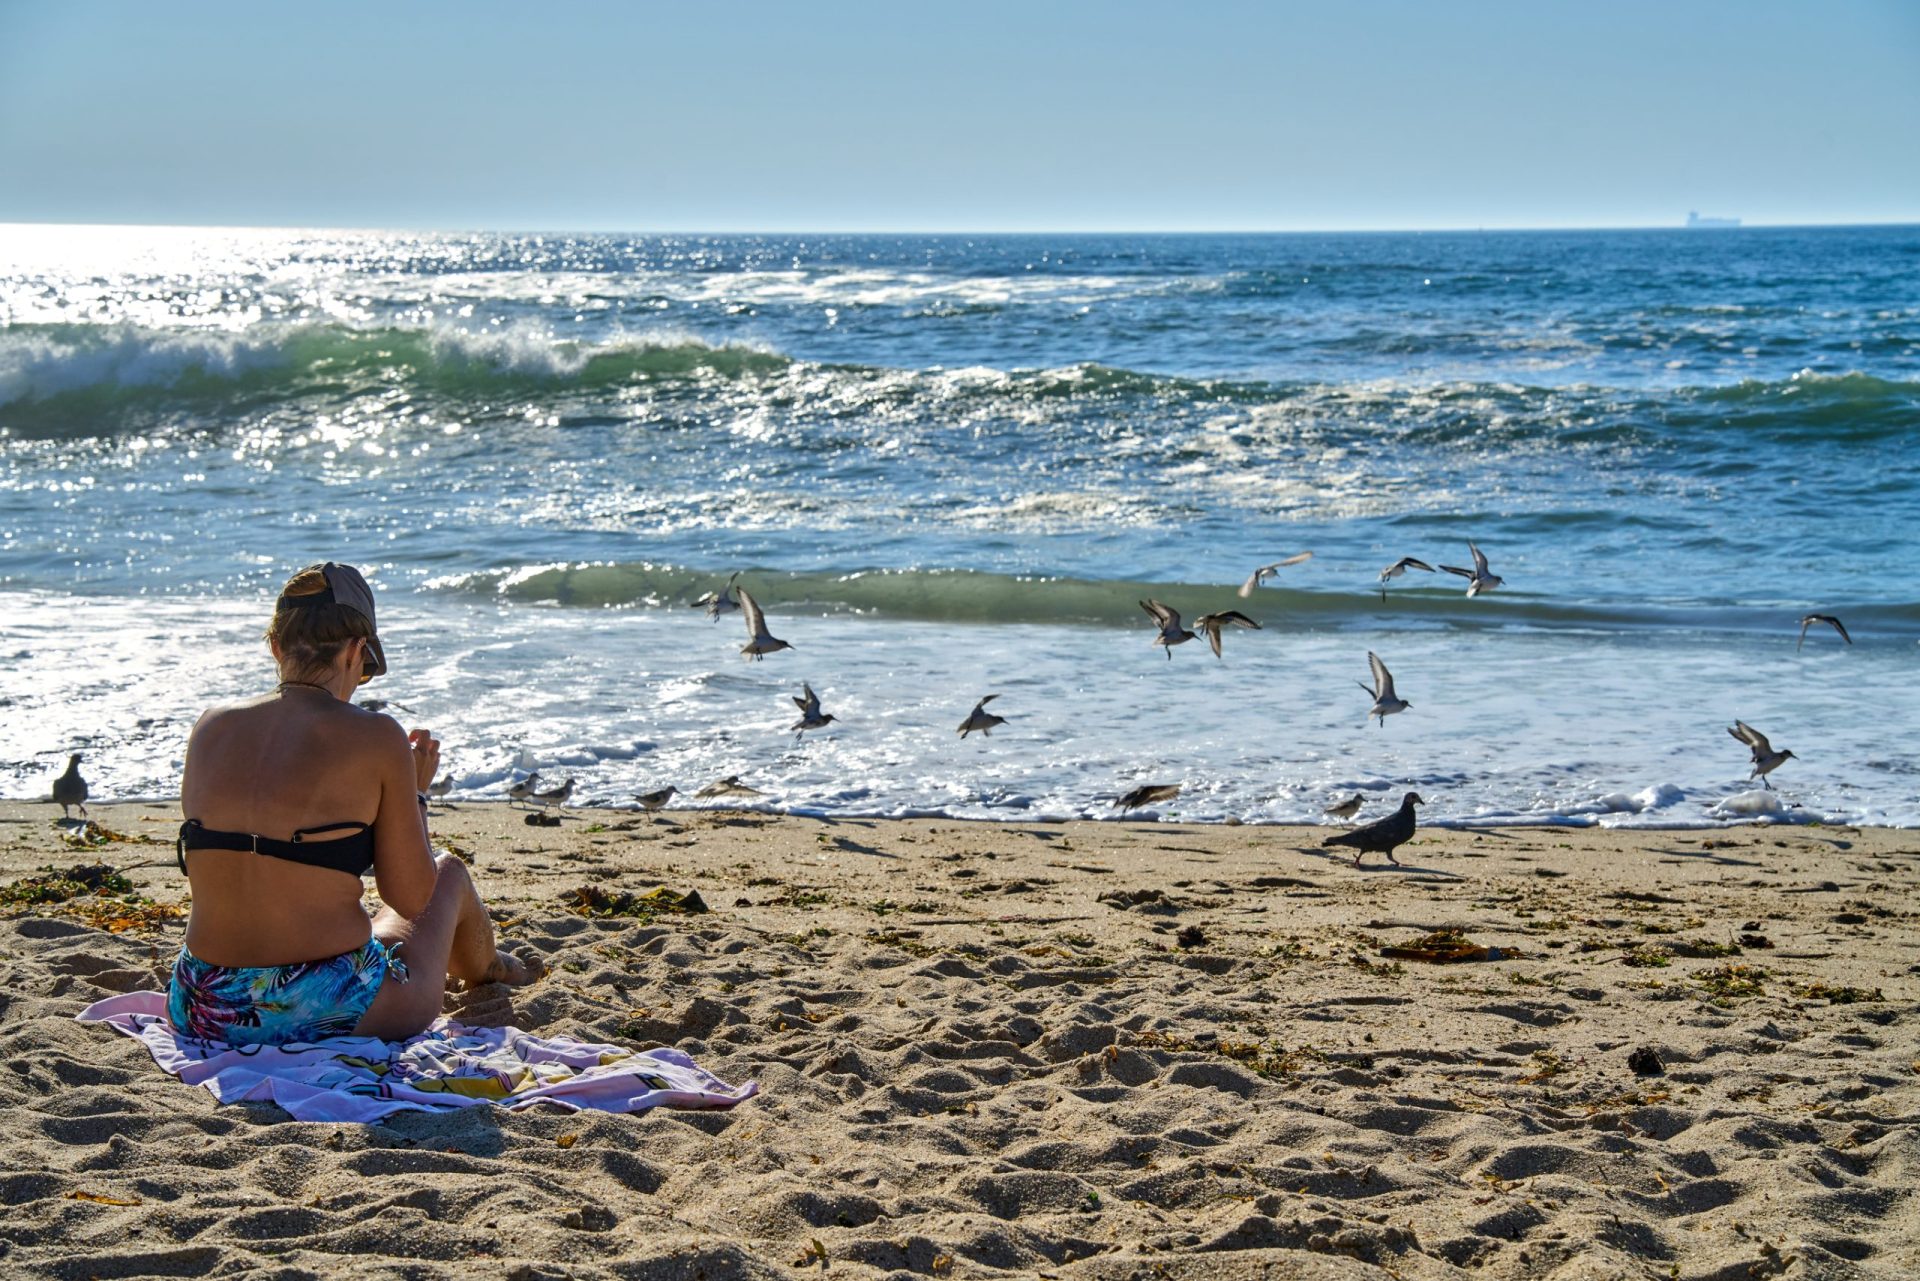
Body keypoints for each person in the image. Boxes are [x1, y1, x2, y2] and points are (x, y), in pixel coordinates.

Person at [170, 561, 537, 1045]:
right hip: (323, 1007)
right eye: (363, 671)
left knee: (377, 930)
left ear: (277, 647)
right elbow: (412, 899)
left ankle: (496, 964)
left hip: (202, 1003)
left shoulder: (210, 727)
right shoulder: (376, 737)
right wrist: (415, 792)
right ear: (356, 651)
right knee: (448, 873)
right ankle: (492, 968)